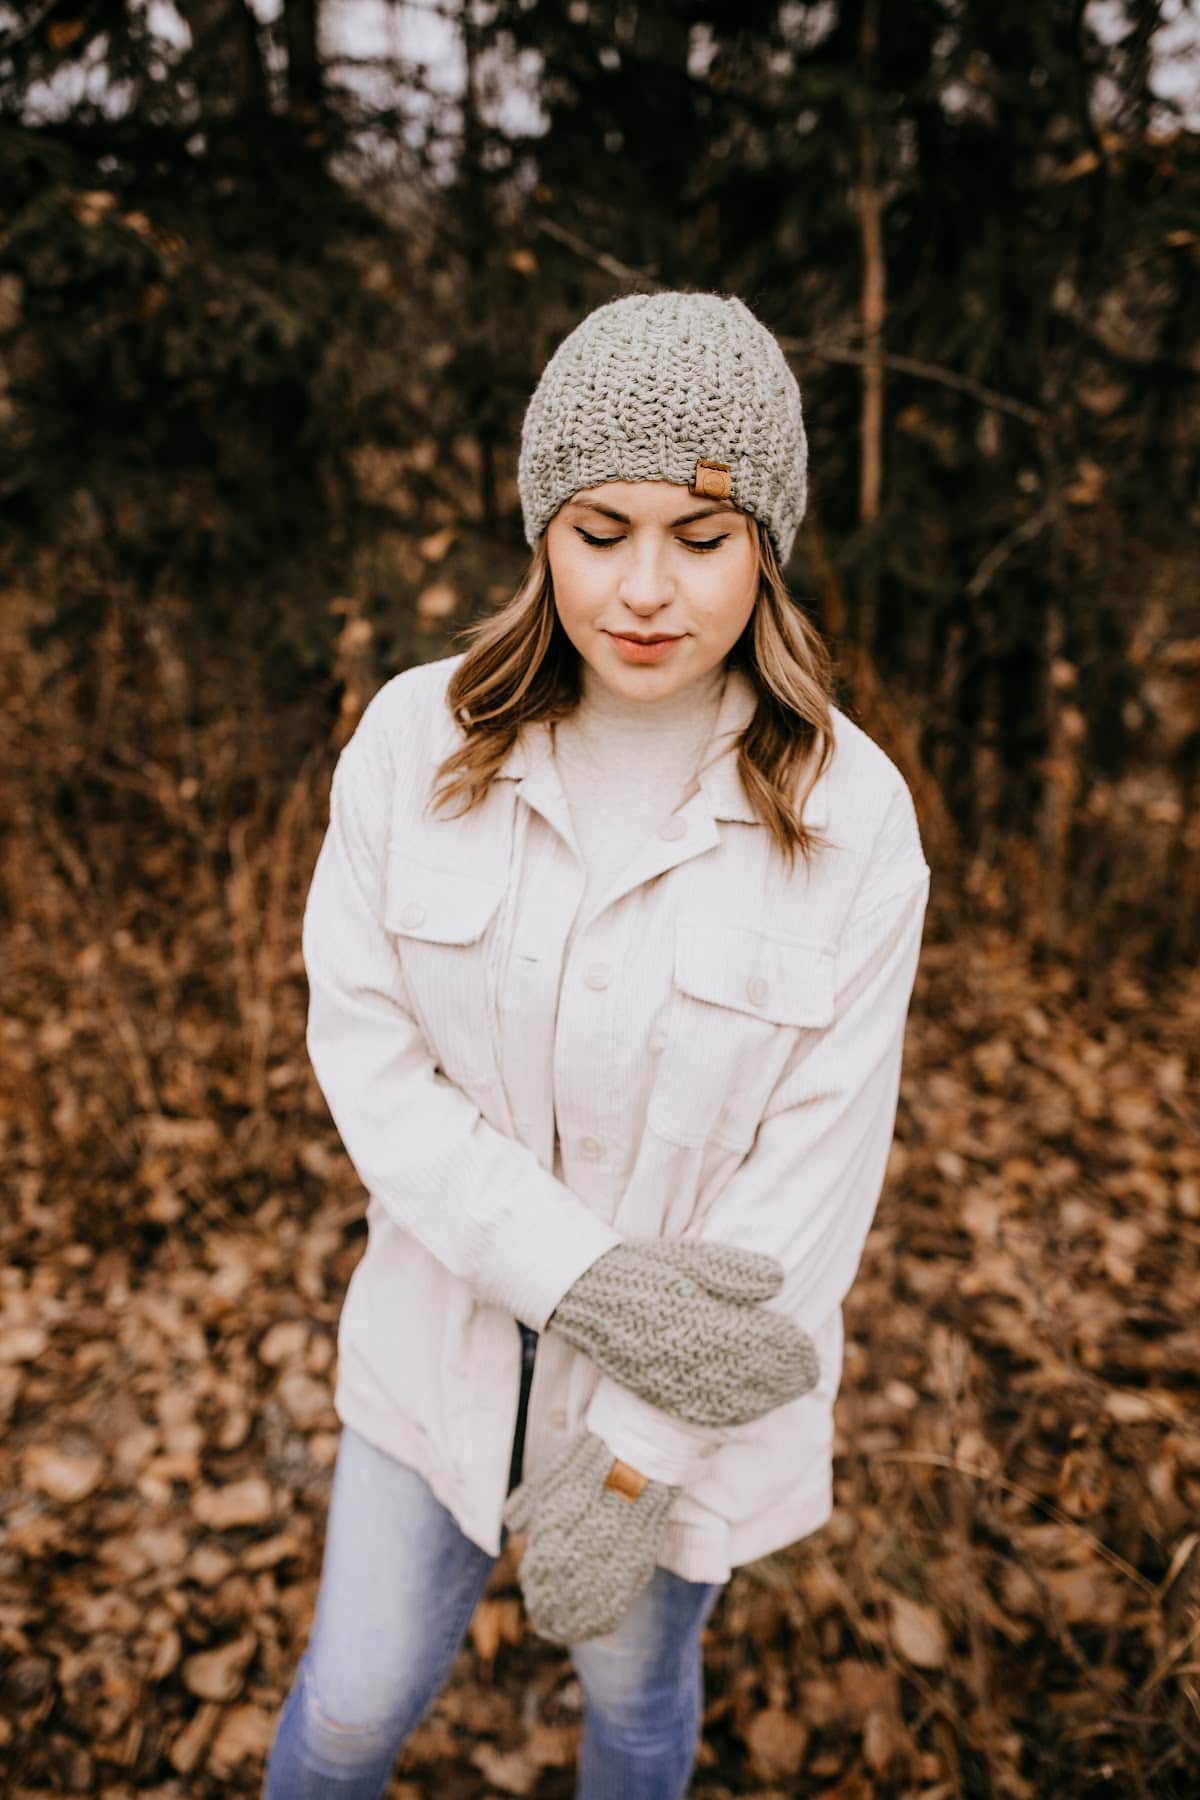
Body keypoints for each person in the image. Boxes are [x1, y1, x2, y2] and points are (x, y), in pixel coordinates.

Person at [262, 289, 931, 1800]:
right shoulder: (411, 746)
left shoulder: (853, 820)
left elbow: (811, 1189)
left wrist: (631, 1452)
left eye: (698, 541)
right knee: (354, 1708)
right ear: (537, 532)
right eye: (597, 530)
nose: (645, 589)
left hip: (681, 1429)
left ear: (765, 544)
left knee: (634, 1708)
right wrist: (588, 1284)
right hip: (432, 1359)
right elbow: (371, 1064)